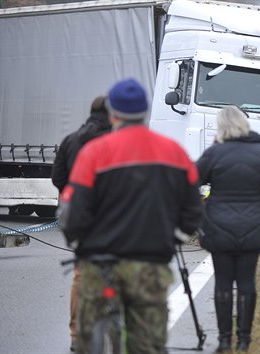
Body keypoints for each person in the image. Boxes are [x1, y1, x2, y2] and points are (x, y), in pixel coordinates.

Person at [58, 78, 203, 354]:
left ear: (113, 113)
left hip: (100, 263)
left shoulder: (94, 153)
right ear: (146, 111)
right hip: (149, 264)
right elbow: (194, 208)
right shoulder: (174, 152)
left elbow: (72, 210)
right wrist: (175, 236)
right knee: (146, 342)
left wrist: (78, 241)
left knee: (89, 340)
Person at [196, 106, 260, 352]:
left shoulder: (214, 153)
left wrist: (203, 209)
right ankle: (244, 340)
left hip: (218, 227)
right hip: (252, 226)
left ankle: (224, 340)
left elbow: (190, 181)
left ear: (221, 126)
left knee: (223, 283)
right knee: (246, 282)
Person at [51, 95, 111, 352]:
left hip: (80, 219)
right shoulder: (114, 142)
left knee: (81, 275)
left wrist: (72, 198)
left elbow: (57, 178)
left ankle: (76, 333)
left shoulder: (71, 140)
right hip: (111, 218)